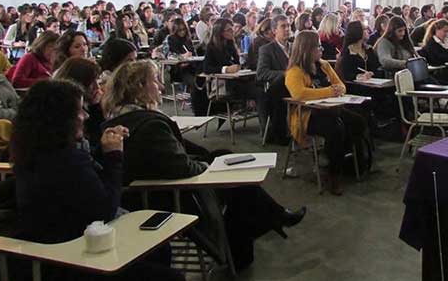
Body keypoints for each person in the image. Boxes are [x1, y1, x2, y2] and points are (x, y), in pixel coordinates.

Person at [101, 60, 305, 270]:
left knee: (225, 161)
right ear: (140, 87)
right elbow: (182, 168)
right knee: (239, 186)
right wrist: (209, 166)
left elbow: (172, 158)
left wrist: (210, 160)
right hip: (170, 196)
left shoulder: (118, 118)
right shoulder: (149, 125)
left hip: (152, 189)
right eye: (155, 80)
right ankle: (260, 230)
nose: (161, 86)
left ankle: (271, 219)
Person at [11, 79, 182, 281]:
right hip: (72, 259)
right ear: (62, 118)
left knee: (159, 251)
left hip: (53, 252)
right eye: (80, 111)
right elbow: (105, 209)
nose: (86, 115)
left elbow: (88, 191)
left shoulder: (34, 152)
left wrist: (101, 151)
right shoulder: (67, 161)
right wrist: (113, 156)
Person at [285, 31, 368, 195]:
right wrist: (330, 91)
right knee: (336, 129)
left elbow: (341, 86)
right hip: (307, 117)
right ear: (307, 49)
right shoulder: (294, 72)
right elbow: (300, 94)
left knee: (358, 122)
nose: (321, 50)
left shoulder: (324, 65)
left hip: (331, 109)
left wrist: (336, 90)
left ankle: (340, 160)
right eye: (318, 47)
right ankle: (333, 174)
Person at [53, 57, 105, 152]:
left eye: (97, 81)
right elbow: (95, 141)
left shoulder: (87, 104)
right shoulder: (66, 114)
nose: (97, 86)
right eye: (91, 82)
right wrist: (96, 107)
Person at [256, 16, 292, 145]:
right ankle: (279, 133)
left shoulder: (295, 47)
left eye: (288, 25)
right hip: (276, 89)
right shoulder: (267, 50)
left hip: (295, 86)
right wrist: (285, 74)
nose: (287, 29)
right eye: (283, 26)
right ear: (274, 30)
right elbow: (261, 74)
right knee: (280, 87)